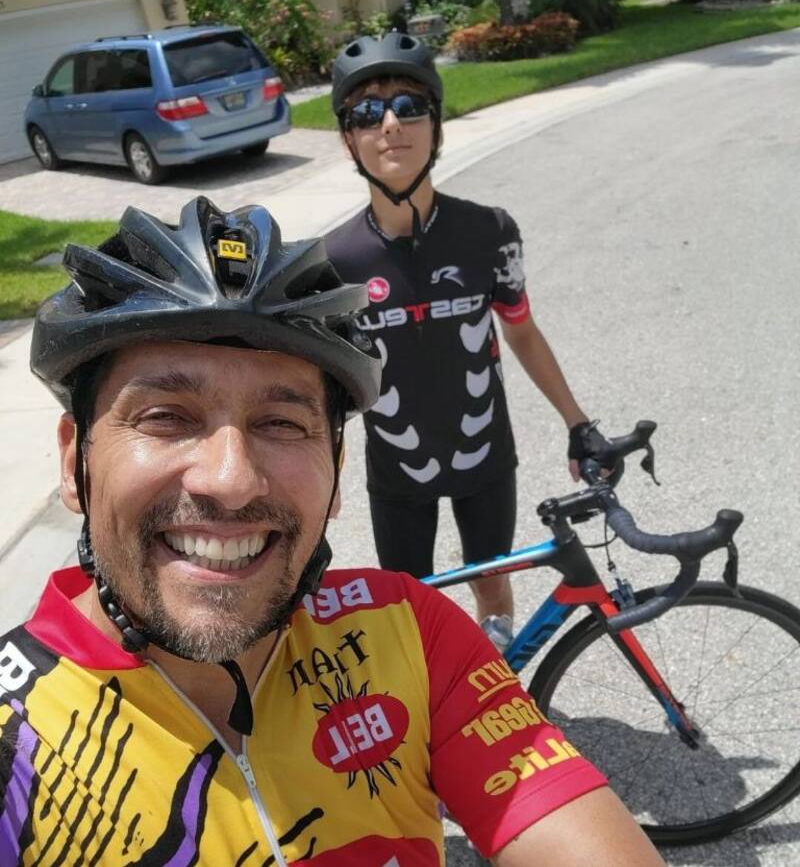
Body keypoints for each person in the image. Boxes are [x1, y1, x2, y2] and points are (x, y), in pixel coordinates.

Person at [0, 196, 664, 866]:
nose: (231, 479)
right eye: (166, 416)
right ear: (74, 461)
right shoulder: (13, 737)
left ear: (338, 472)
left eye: (282, 423)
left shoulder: (408, 634)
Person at [325, 32, 600, 649]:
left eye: (410, 106)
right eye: (367, 113)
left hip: (485, 457)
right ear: (348, 139)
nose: (390, 125)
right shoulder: (334, 261)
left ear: (437, 126)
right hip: (396, 471)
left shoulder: (489, 231)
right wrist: (324, 471)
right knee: (407, 610)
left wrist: (578, 423)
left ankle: (496, 685)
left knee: (493, 588)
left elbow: (521, 330)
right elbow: (329, 384)